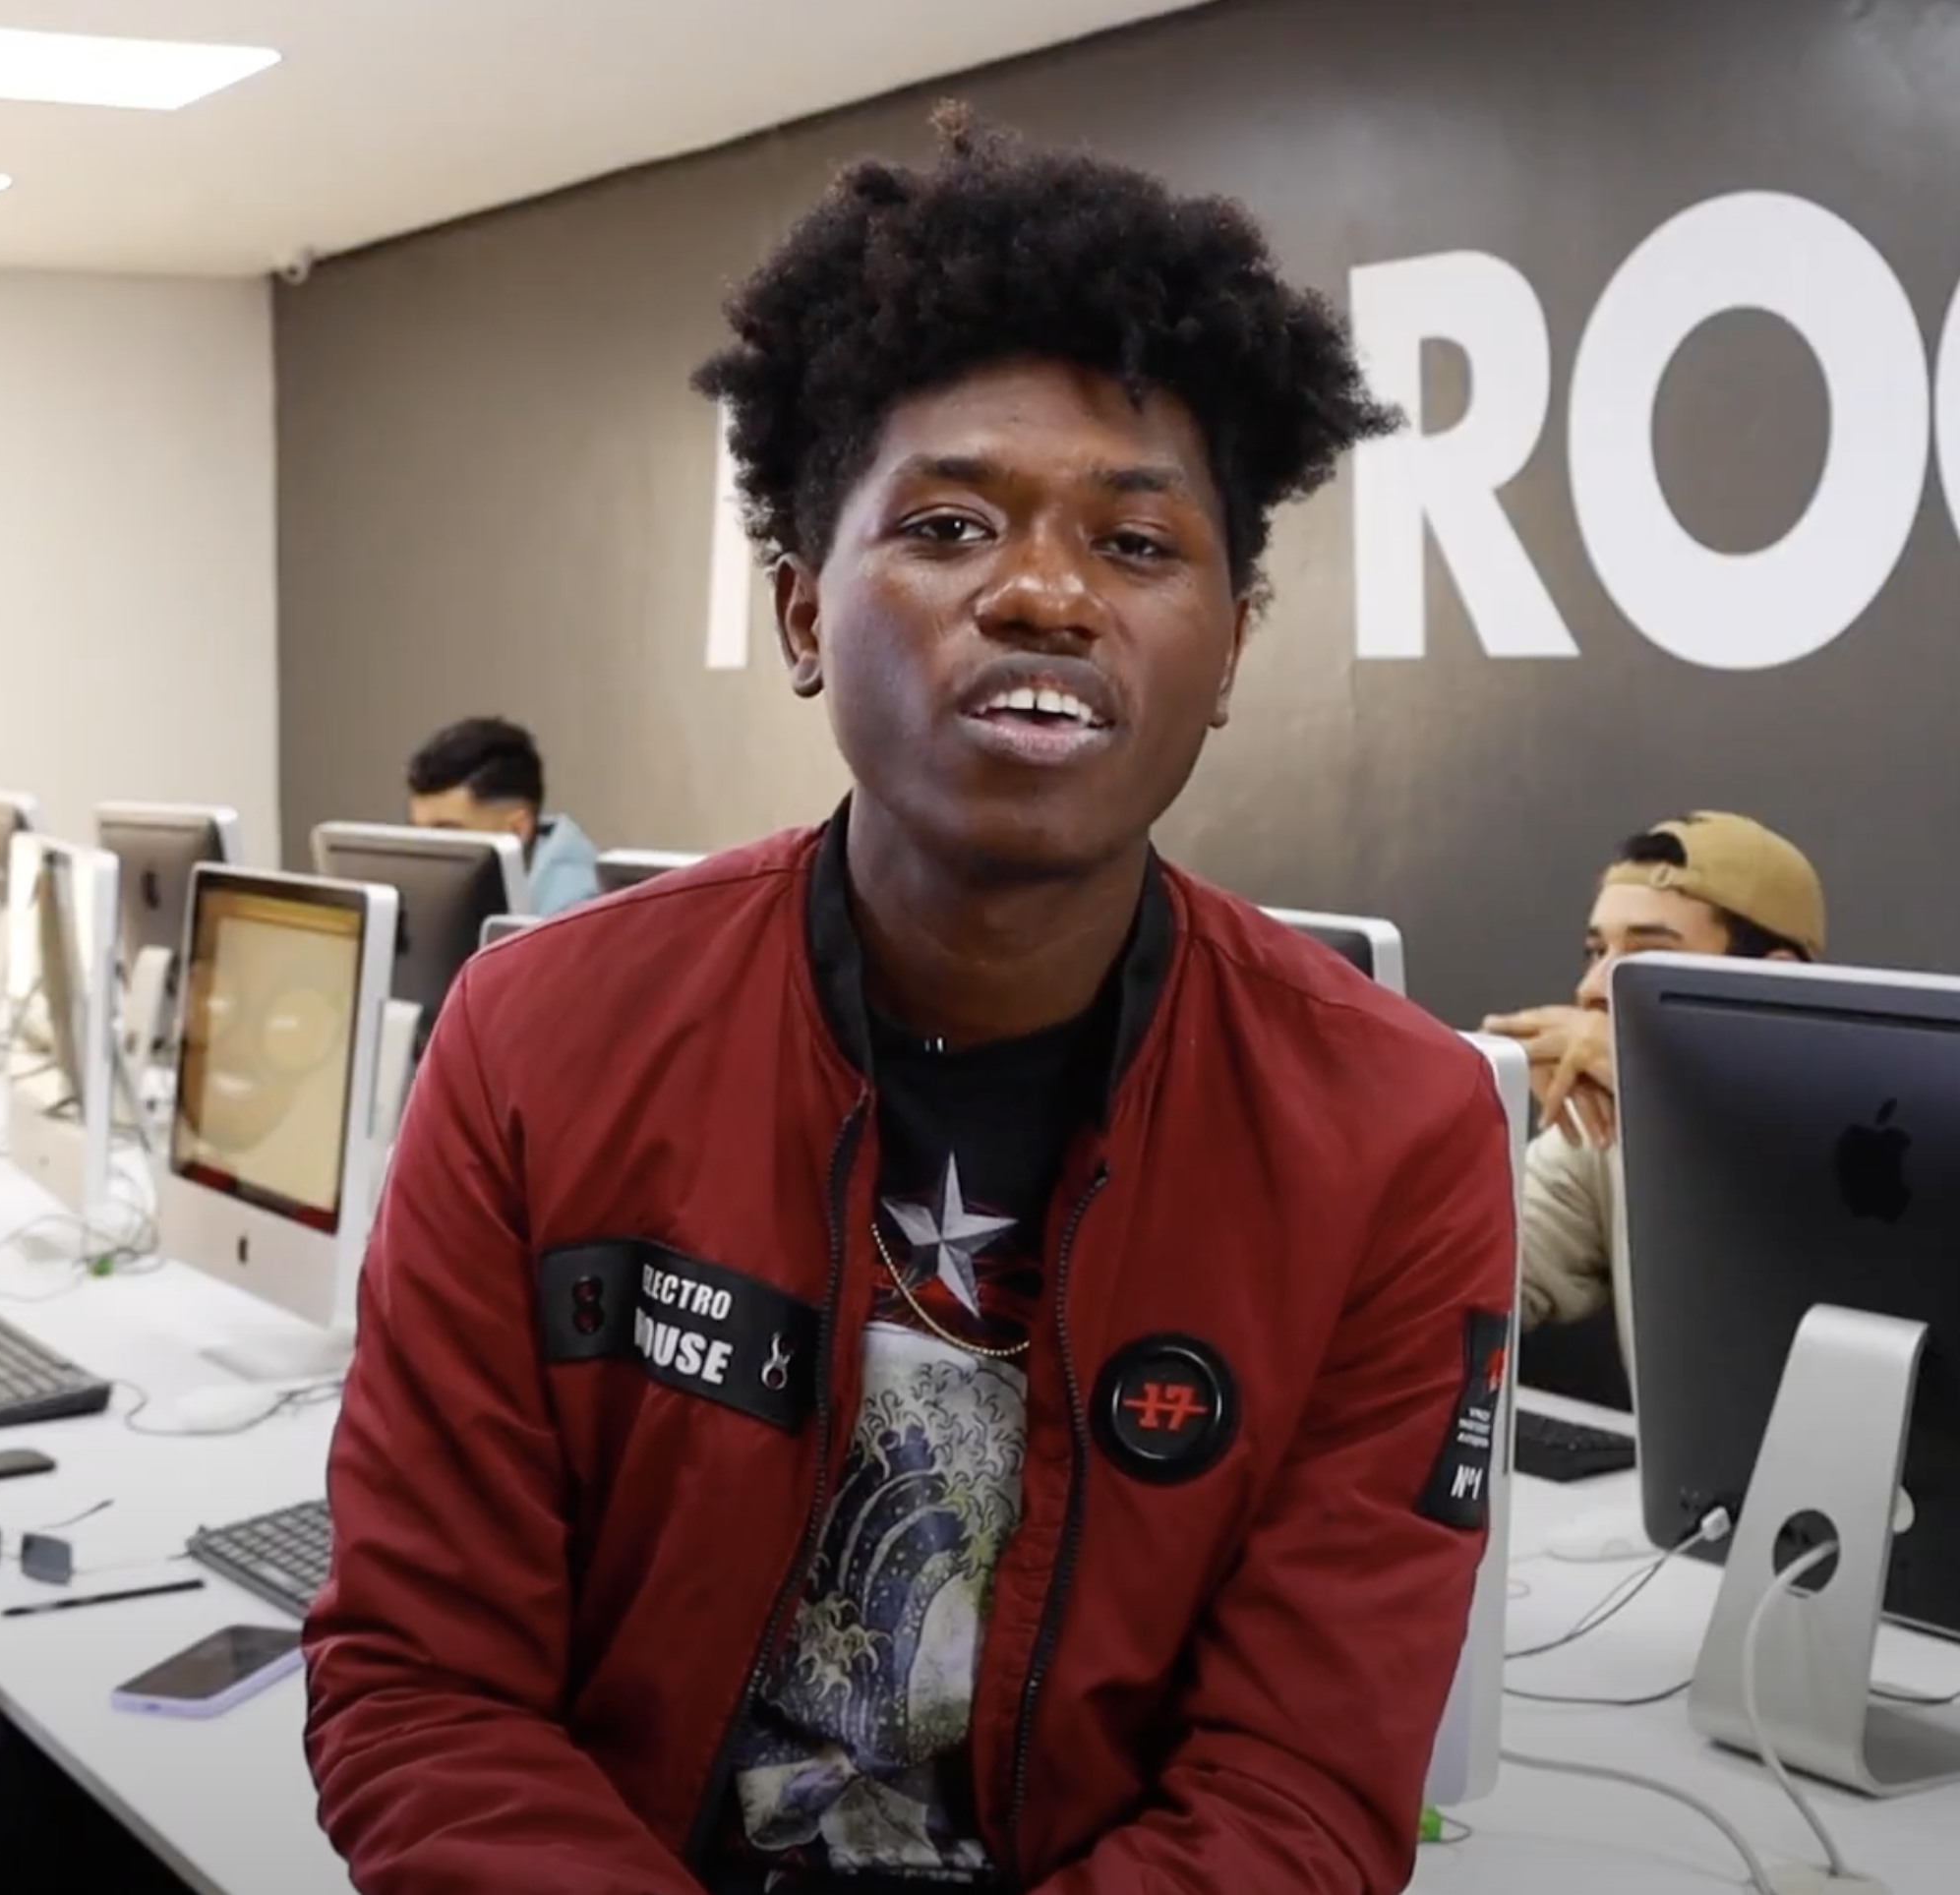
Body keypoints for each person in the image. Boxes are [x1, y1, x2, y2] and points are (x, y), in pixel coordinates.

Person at [305, 105, 1515, 1895]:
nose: (1041, 592)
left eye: (1136, 544)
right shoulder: (537, 1038)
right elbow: (425, 1686)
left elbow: (1296, 1790)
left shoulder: (1396, 1135)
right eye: (950, 523)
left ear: (1230, 643)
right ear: (802, 613)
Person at [1484, 811, 1825, 1383]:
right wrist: (1463, 1107)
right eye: (1597, 951)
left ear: (1776, 985)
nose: (1592, 988)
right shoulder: (1610, 1128)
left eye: (1646, 959)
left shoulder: (1872, 1153)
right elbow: (1461, 1278)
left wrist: (1665, 1086)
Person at [404, 715, 600, 916]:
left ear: (517, 830)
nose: (427, 857)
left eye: (447, 834)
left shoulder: (578, 913)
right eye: (419, 834)